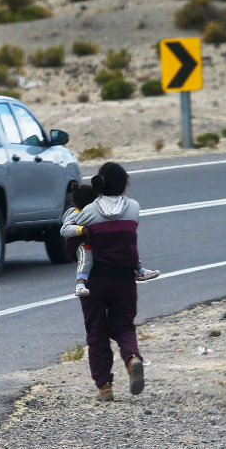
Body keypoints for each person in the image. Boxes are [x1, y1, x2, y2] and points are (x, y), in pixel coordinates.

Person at [67, 162, 147, 401]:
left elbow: (72, 246)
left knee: (97, 332)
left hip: (95, 281)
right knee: (123, 326)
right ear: (124, 184)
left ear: (98, 184)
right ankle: (132, 358)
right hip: (124, 278)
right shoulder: (134, 207)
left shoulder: (88, 212)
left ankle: (104, 386)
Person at [63, 183, 161, 298]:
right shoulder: (76, 214)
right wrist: (82, 229)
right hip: (84, 243)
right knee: (86, 257)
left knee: (123, 244)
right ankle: (80, 284)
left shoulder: (95, 211)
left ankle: (140, 270)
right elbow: (64, 229)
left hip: (98, 241)